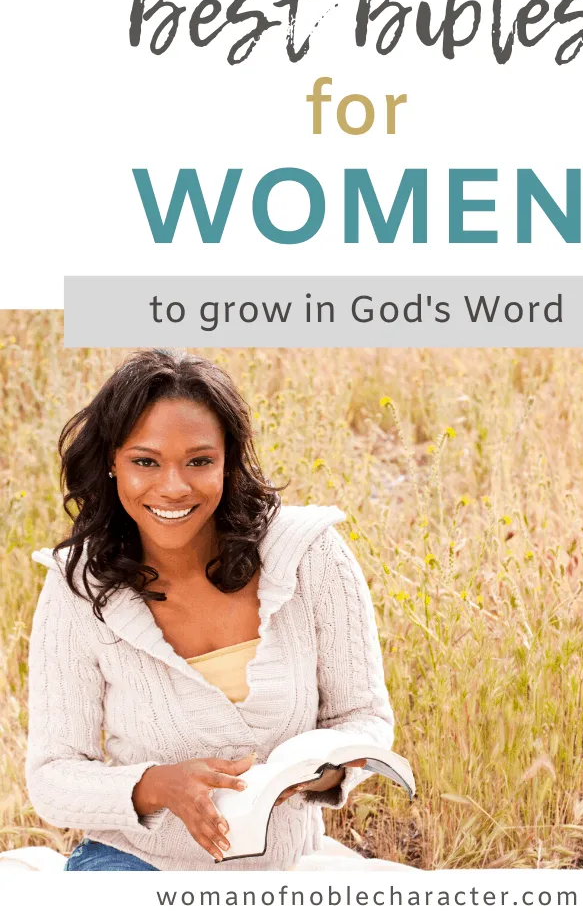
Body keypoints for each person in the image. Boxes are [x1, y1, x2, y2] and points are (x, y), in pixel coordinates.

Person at [25, 349, 394, 871]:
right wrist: (155, 786)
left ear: (228, 462)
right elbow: (52, 777)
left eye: (199, 461)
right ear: (111, 463)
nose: (173, 486)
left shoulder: (310, 555)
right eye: (145, 461)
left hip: (285, 869)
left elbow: (363, 718)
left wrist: (324, 771)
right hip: (135, 864)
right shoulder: (78, 587)